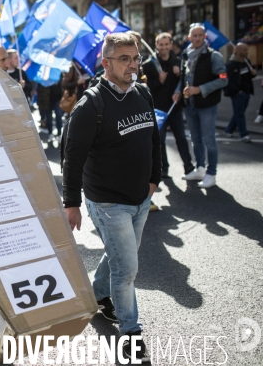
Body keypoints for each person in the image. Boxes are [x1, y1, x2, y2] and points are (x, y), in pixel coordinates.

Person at [63, 33, 161, 363]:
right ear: (106, 63)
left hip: (141, 197)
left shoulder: (143, 93)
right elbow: (72, 157)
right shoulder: (91, 105)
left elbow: (154, 138)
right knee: (127, 267)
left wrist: (154, 178)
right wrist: (71, 203)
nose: (133, 65)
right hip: (107, 202)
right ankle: (131, 333)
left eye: (136, 58)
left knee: (123, 253)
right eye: (125, 59)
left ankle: (99, 295)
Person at [174, 24, 228, 188]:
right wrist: (178, 90)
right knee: (195, 140)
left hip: (207, 104)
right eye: (194, 36)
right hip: (190, 105)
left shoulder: (214, 56)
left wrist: (200, 89)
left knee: (209, 140)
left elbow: (223, 79)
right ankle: (200, 168)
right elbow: (183, 78)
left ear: (205, 37)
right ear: (189, 38)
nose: (197, 38)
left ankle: (211, 173)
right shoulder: (185, 55)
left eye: (200, 35)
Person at [143, 32, 194, 178]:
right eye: (161, 44)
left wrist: (180, 79)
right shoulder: (149, 64)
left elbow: (186, 82)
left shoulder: (179, 62)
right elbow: (146, 87)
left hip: (175, 107)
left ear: (171, 45)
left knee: (181, 138)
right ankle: (163, 168)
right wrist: (159, 80)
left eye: (167, 44)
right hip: (158, 108)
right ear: (156, 46)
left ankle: (188, 166)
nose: (164, 47)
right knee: (160, 139)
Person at [224, 42, 257, 143]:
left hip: (247, 92)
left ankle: (229, 130)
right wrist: (235, 91)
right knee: (240, 114)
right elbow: (226, 80)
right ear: (237, 51)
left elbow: (248, 77)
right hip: (237, 93)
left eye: (247, 49)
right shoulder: (231, 65)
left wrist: (253, 74)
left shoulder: (247, 62)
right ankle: (244, 134)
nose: (246, 52)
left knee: (239, 113)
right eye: (244, 50)